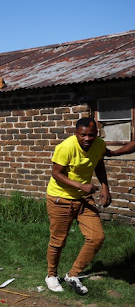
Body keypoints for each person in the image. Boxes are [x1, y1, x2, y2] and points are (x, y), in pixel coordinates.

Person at [45, 117, 110, 295]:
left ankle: (73, 274)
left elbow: (99, 163)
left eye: (91, 135)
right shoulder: (66, 147)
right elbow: (56, 173)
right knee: (58, 240)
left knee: (96, 237)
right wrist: (81, 185)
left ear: (96, 134)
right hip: (60, 199)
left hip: (84, 199)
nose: (87, 138)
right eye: (83, 135)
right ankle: (51, 275)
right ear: (76, 134)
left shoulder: (98, 144)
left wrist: (105, 186)